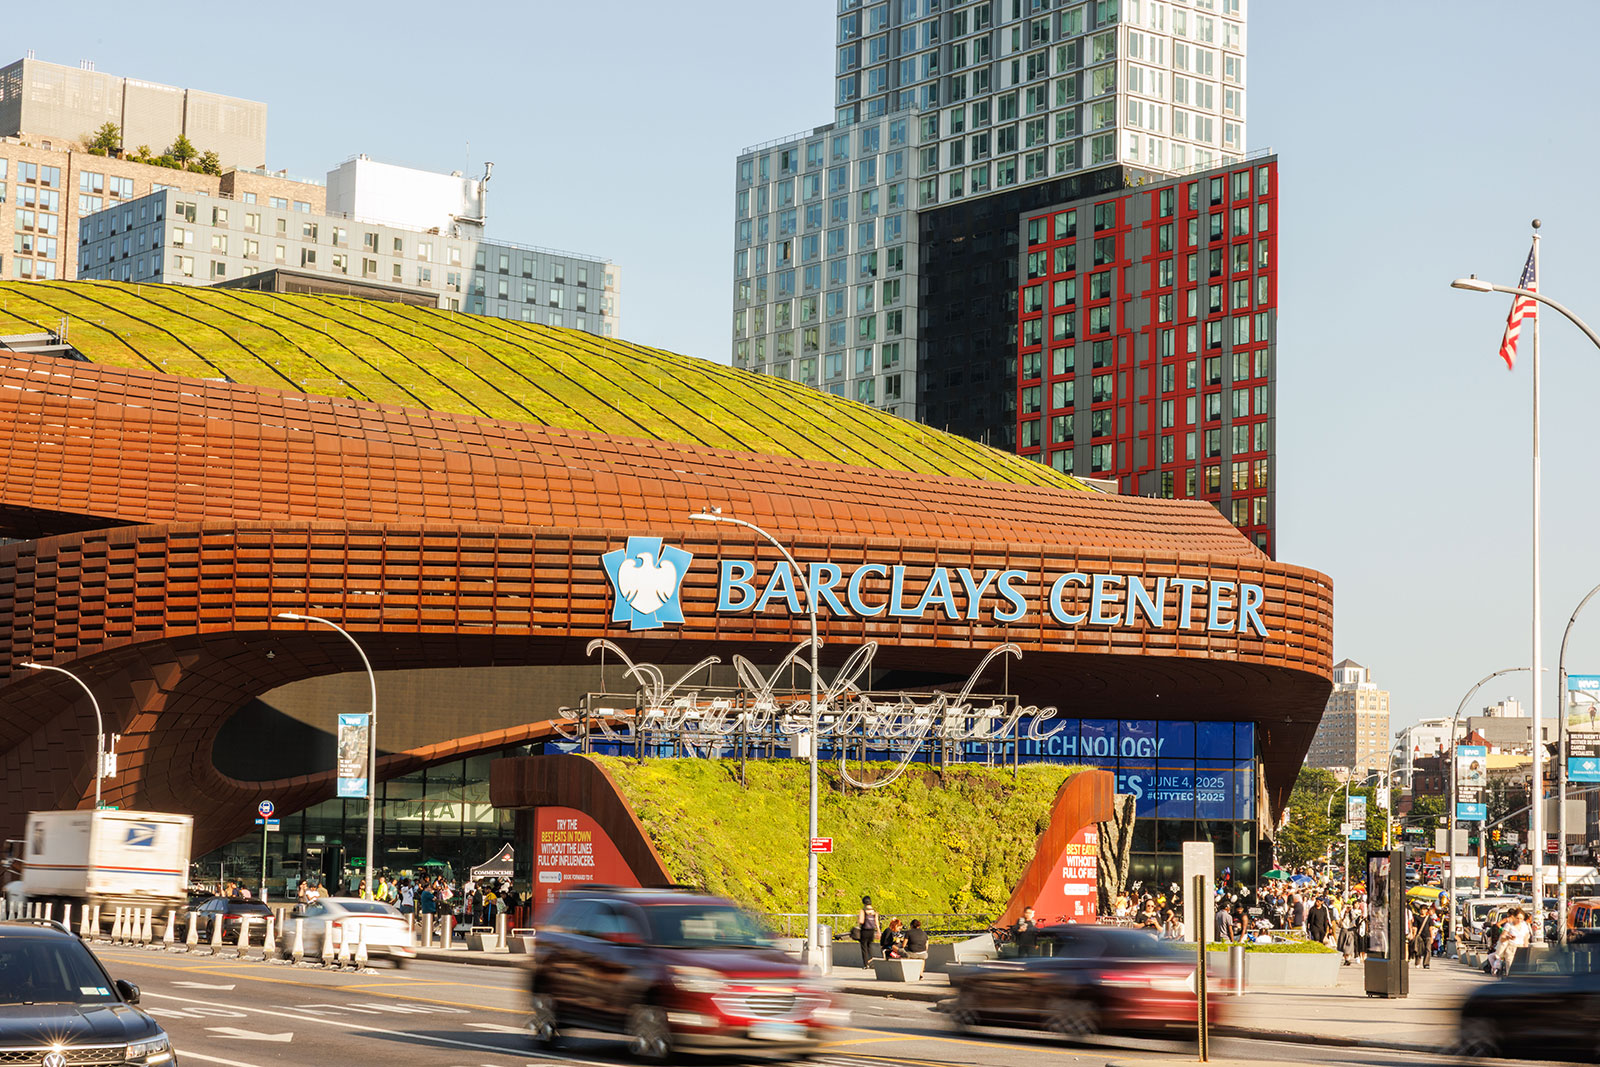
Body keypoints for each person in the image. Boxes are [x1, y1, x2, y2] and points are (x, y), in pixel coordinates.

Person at [856, 895, 880, 968]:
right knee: (869, 946)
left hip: (864, 931)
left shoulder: (863, 911)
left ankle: (866, 964)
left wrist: (858, 920)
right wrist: (878, 931)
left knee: (864, 947)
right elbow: (876, 922)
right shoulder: (874, 911)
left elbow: (861, 921)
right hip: (872, 931)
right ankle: (871, 961)